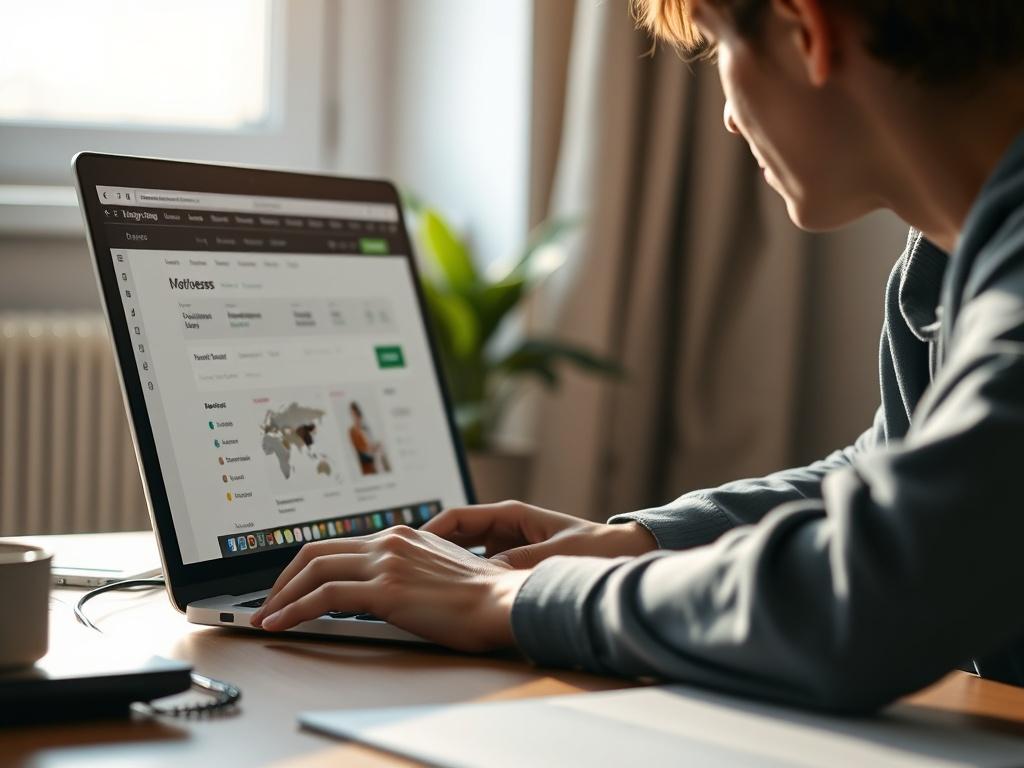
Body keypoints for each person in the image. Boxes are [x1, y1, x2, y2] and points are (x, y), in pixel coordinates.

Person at [251, 0, 1024, 712]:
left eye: (720, 44)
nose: (725, 116)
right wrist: (640, 539)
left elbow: (877, 590)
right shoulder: (944, 263)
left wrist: (508, 601)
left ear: (804, 31)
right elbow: (900, 475)